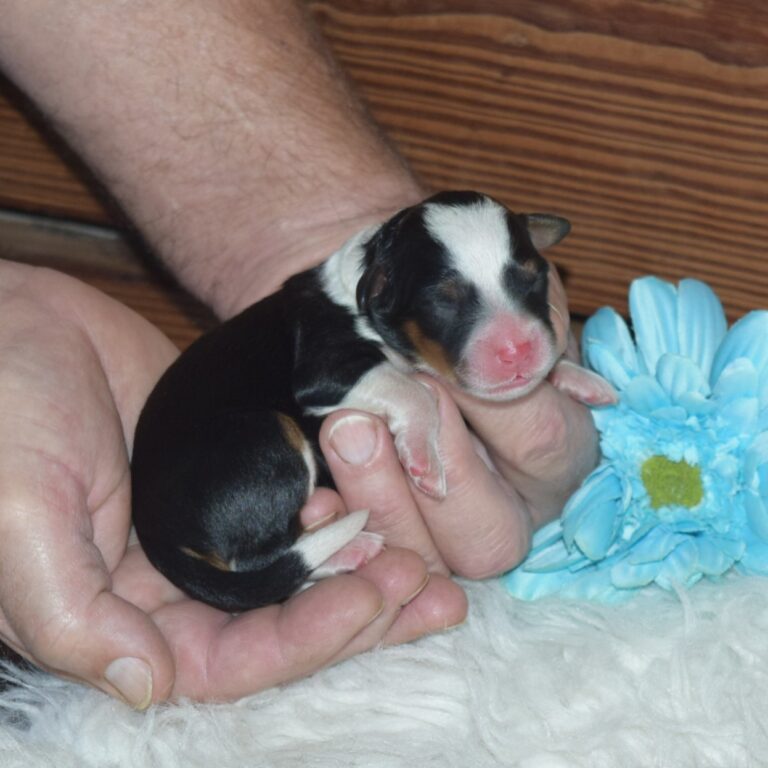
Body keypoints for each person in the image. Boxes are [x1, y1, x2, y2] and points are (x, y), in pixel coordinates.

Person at [0, 0, 598, 708]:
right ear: (379, 295)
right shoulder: (334, 322)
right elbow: (326, 386)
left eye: (524, 286)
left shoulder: (360, 296)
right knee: (292, 440)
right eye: (450, 299)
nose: (515, 340)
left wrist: (547, 368)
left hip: (197, 480)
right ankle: (262, 558)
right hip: (209, 485)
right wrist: (405, 405)